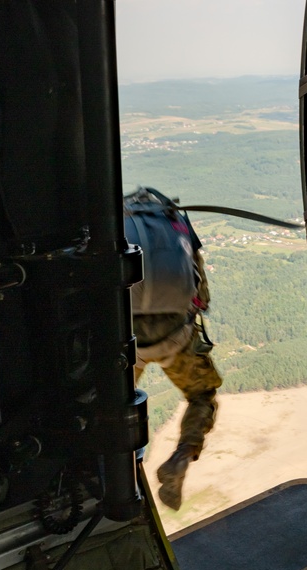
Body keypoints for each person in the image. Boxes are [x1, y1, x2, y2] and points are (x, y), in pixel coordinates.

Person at [124, 187, 224, 511]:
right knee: (202, 396)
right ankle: (182, 455)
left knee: (113, 406)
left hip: (127, 339)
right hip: (176, 336)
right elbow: (201, 294)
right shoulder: (176, 225)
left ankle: (116, 469)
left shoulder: (115, 228)